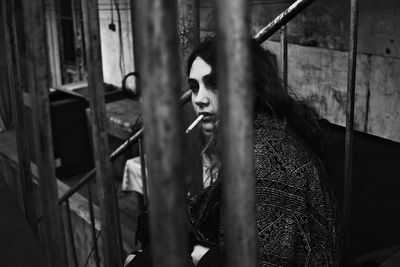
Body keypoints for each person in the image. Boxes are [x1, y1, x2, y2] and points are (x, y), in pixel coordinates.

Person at [127, 37, 343, 267]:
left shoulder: (268, 156)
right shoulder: (254, 137)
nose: (200, 99)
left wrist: (204, 258)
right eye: (194, 87)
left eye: (215, 84)